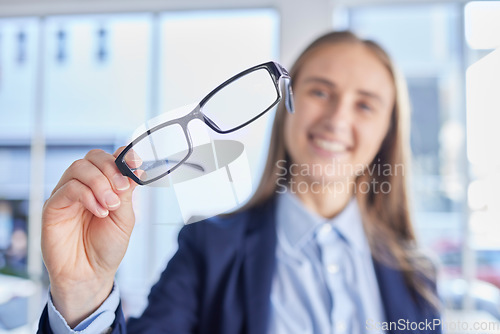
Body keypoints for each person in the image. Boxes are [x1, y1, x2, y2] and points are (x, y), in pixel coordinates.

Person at [37, 30, 441, 334]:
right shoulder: (209, 248)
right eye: (320, 92)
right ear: (287, 105)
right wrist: (83, 295)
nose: (337, 119)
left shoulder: (416, 276)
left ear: (387, 130)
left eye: (365, 104)